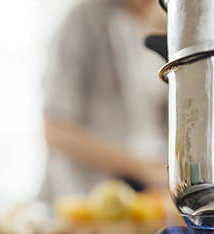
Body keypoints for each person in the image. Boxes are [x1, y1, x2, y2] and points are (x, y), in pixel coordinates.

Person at [39, 0, 168, 203]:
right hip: (89, 196)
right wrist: (147, 169)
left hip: (155, 195)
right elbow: (56, 130)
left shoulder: (174, 26)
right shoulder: (83, 20)